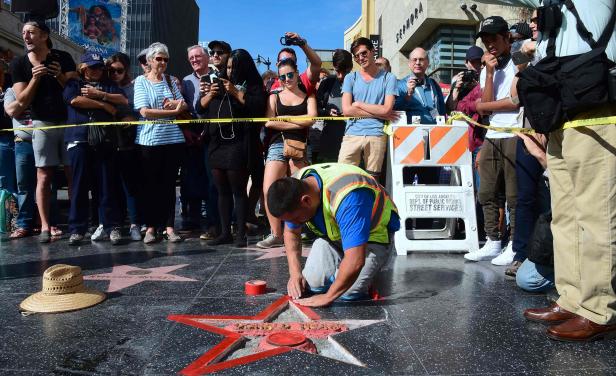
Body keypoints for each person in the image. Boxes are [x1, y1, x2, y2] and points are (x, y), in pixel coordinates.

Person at [478, 0, 616, 341]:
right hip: (562, 112)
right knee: (565, 215)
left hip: (596, 106)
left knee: (595, 215)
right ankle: (572, 298)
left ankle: (599, 308)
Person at [267, 163, 400, 307]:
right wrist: (295, 274)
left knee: (349, 292)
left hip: (372, 238)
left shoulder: (349, 196)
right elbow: (291, 232)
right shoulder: (294, 187)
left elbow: (355, 259)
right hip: (334, 238)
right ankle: (343, 269)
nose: (295, 224)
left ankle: (368, 273)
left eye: (295, 219)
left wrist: (328, 297)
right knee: (312, 284)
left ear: (306, 200)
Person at [9, 17, 78, 243]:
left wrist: (59, 75)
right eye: (24, 32)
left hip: (68, 123)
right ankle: (46, 226)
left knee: (71, 173)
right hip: (42, 125)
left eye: (31, 31)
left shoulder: (64, 58)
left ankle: (76, 224)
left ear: (45, 35)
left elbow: (74, 92)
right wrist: (36, 78)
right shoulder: (19, 64)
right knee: (44, 175)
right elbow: (21, 99)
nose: (26, 36)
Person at [463, 16, 520, 265]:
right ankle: (493, 242)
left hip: (517, 133)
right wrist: (488, 74)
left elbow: (514, 101)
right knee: (486, 191)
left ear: (507, 37)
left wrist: (486, 105)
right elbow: (485, 108)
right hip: (493, 134)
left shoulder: (520, 61)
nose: (490, 45)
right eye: (486, 41)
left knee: (514, 195)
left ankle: (515, 245)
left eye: (493, 39)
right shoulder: (491, 67)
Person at [197, 49, 266, 247]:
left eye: (233, 67)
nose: (229, 71)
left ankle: (240, 234)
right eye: (228, 67)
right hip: (217, 142)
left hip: (239, 143)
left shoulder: (253, 85)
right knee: (222, 190)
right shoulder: (216, 82)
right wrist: (210, 94)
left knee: (238, 189)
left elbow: (257, 107)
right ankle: (225, 232)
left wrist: (236, 92)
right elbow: (199, 108)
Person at [63, 52, 128, 246]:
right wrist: (103, 105)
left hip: (105, 140)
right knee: (79, 186)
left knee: (106, 186)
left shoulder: (109, 85)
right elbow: (74, 100)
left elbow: (123, 101)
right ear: (83, 68)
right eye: (92, 67)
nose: (97, 71)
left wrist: (101, 94)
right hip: (79, 140)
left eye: (100, 67)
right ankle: (77, 229)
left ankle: (111, 226)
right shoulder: (73, 84)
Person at [256, 58, 317, 249]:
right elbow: (269, 122)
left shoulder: (309, 96)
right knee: (269, 189)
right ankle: (276, 233)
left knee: (303, 188)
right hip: (276, 144)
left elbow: (312, 120)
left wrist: (284, 119)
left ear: (297, 73)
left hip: (299, 145)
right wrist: (299, 120)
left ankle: (304, 228)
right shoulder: (274, 97)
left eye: (290, 74)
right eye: (282, 77)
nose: (286, 79)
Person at [133, 42, 187, 244]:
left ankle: (169, 226)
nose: (163, 62)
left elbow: (184, 104)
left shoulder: (171, 81)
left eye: (166, 59)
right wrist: (172, 112)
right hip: (149, 141)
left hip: (172, 140)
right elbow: (144, 111)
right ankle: (150, 227)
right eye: (159, 58)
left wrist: (176, 105)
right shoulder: (140, 81)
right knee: (150, 186)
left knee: (169, 185)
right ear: (150, 60)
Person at [339, 37, 397, 179]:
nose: (360, 58)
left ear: (373, 51)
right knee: (342, 177)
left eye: (364, 53)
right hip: (352, 133)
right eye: (357, 56)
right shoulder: (350, 78)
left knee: (372, 181)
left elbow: (387, 110)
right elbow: (346, 110)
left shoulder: (389, 78)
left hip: (376, 133)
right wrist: (380, 114)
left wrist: (358, 104)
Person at [106, 52, 142, 241]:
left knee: (131, 186)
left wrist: (129, 117)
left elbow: (138, 111)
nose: (115, 74)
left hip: (129, 143)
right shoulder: (104, 86)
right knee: (111, 188)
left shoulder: (134, 87)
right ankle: (114, 225)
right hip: (108, 144)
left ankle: (135, 223)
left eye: (119, 70)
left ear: (126, 70)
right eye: (111, 71)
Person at [179, 45, 213, 235]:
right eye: (191, 57)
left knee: (210, 178)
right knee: (190, 178)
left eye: (197, 56)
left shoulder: (216, 77)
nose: (194, 60)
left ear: (206, 58)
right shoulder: (186, 81)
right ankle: (191, 218)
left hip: (211, 131)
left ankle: (211, 218)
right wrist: (186, 130)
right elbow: (182, 109)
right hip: (191, 132)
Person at [4, 88, 36, 239]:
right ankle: (24, 224)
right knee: (23, 185)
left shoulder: (43, 86)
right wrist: (25, 99)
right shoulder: (11, 91)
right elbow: (11, 111)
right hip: (22, 142)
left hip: (44, 139)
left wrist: (22, 104)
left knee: (48, 185)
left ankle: (48, 223)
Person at [315, 49, 353, 163]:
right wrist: (326, 112)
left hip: (353, 143)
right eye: (337, 71)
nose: (341, 76)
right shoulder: (327, 83)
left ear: (350, 67)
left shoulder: (359, 82)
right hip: (330, 144)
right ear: (333, 67)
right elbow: (314, 109)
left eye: (344, 72)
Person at [395, 47, 445, 125]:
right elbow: (395, 110)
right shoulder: (400, 85)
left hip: (436, 132)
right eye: (414, 59)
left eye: (421, 59)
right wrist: (408, 95)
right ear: (409, 63)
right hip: (411, 133)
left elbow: (442, 109)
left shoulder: (433, 84)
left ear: (428, 62)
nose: (417, 63)